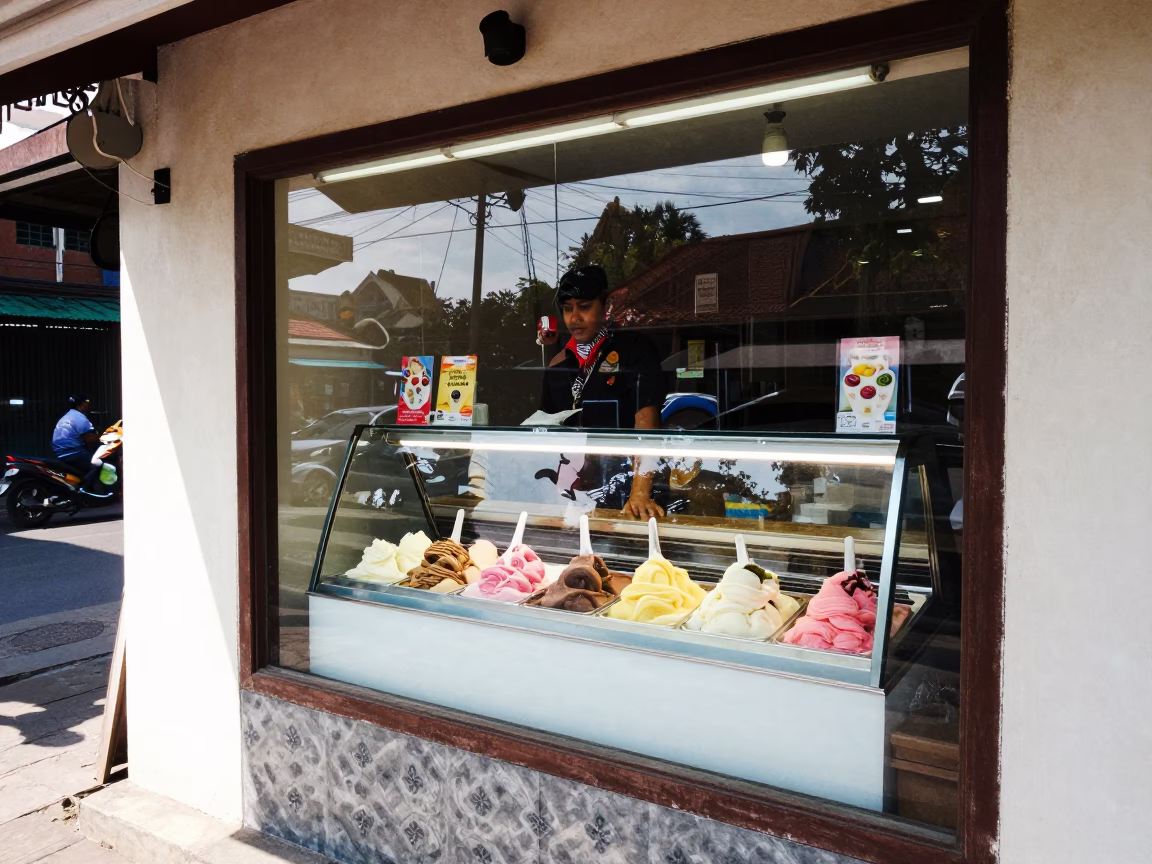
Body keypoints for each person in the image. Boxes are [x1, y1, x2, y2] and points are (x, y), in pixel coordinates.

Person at [540, 265, 667, 519]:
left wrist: (640, 492)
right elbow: (550, 431)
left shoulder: (635, 349)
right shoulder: (557, 364)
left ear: (605, 305)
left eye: (584, 307)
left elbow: (647, 421)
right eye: (568, 309)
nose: (574, 318)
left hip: (625, 484)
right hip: (575, 491)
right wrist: (553, 493)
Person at [52, 393, 101, 489]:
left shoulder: (66, 417)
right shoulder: (80, 418)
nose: (88, 405)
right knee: (99, 464)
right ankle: (85, 490)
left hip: (60, 453)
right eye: (87, 403)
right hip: (73, 452)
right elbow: (91, 440)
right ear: (82, 405)